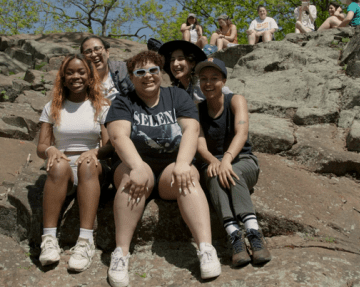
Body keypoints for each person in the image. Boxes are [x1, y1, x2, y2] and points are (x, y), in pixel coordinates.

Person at [105, 50, 221, 287]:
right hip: (134, 166)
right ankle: (121, 254)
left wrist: (182, 164)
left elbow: (191, 129)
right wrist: (136, 166)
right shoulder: (123, 102)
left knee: (188, 177)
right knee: (133, 179)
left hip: (171, 167)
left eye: (153, 70)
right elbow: (118, 136)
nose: (148, 76)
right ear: (131, 76)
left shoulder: (176, 96)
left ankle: (206, 249)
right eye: (140, 72)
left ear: (161, 73)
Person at [37, 54, 113, 271]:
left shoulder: (102, 105)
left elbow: (109, 146)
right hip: (62, 168)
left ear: (90, 77)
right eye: (70, 72)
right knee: (59, 164)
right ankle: (49, 240)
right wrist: (51, 149)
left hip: (93, 166)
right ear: (63, 76)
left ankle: (85, 241)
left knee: (87, 164)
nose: (76, 77)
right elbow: (41, 147)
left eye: (81, 72)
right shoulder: (52, 106)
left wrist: (95, 152)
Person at [195, 57, 272, 267]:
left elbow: (242, 132)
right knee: (214, 177)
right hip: (213, 162)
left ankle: (254, 234)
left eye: (214, 78)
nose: (208, 83)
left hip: (242, 159)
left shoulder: (236, 99)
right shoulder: (197, 109)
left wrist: (227, 159)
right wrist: (213, 160)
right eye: (203, 79)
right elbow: (200, 144)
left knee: (232, 173)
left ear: (224, 80)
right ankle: (235, 236)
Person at [158, 40, 231, 103]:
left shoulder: (201, 83)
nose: (175, 64)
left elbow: (230, 96)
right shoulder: (178, 89)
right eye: (172, 60)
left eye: (180, 59)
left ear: (192, 63)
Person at [80, 35, 134, 101]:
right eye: (88, 52)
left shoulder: (123, 69)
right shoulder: (80, 79)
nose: (93, 54)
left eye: (97, 49)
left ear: (107, 52)